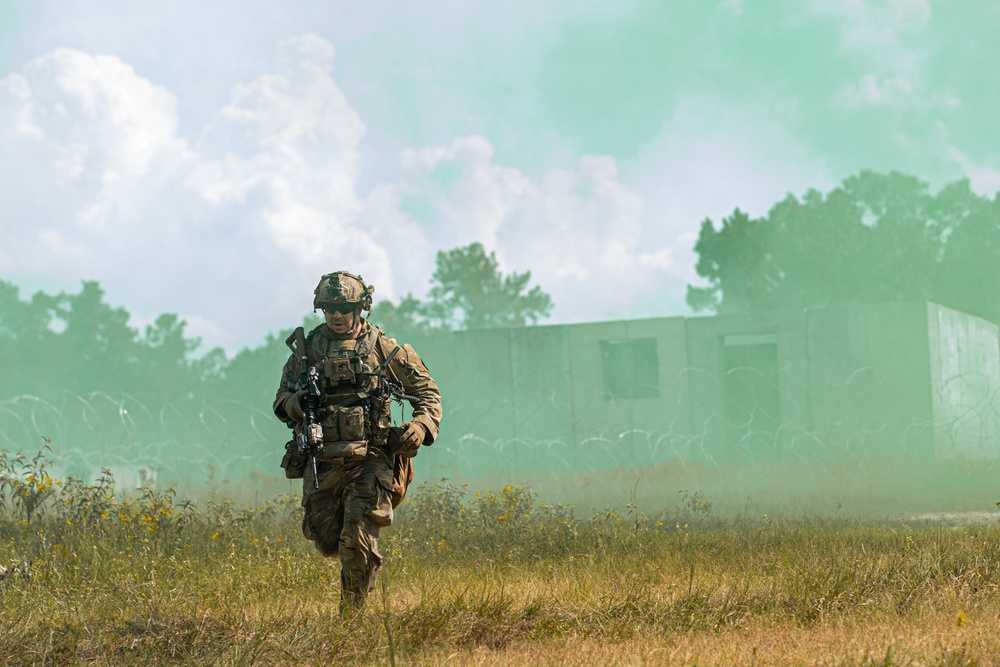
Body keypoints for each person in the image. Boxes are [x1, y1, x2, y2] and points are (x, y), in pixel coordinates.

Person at [273, 270, 442, 612]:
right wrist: (296, 402)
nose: (337, 314)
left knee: (357, 541)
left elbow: (427, 392)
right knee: (325, 535)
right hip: (323, 460)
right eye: (330, 307)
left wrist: (422, 426)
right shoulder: (308, 351)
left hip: (371, 459)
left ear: (361, 307)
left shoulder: (384, 348)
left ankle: (351, 619)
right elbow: (280, 399)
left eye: (344, 307)